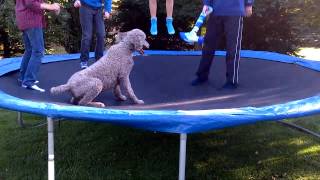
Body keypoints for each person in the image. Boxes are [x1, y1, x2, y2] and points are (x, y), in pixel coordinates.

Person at [191, 0, 254, 89]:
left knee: (233, 47)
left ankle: (231, 81)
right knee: (208, 44)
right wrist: (206, 3)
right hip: (215, 10)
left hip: (234, 11)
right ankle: (202, 76)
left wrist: (249, 4)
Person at [15, 0, 61, 92]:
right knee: (38, 51)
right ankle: (28, 81)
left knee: (30, 50)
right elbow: (31, 3)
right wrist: (51, 6)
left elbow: (37, 3)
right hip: (31, 20)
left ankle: (23, 77)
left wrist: (52, 7)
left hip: (25, 19)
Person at [74, 0, 112, 69]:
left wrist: (107, 10)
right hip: (85, 6)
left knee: (101, 34)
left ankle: (99, 59)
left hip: (98, 9)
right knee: (87, 36)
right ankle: (84, 60)